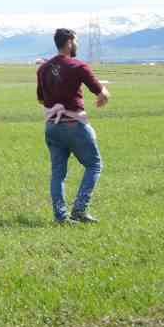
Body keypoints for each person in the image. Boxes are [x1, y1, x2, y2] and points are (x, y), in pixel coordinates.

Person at [36, 27, 110, 224]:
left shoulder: (43, 69)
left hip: (52, 126)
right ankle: (80, 210)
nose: (77, 44)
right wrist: (104, 96)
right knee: (94, 165)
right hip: (74, 125)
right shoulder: (78, 66)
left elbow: (41, 99)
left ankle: (61, 217)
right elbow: (101, 93)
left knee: (58, 174)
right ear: (69, 42)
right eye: (76, 41)